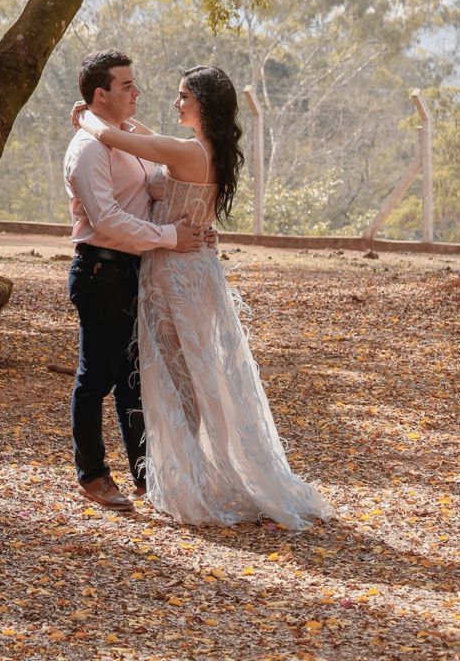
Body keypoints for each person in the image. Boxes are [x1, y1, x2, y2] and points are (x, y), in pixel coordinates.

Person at [74, 64, 332, 530]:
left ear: (202, 105)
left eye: (182, 98)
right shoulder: (200, 149)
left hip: (178, 272)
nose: (175, 104)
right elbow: (144, 138)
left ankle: (195, 478)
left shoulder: (186, 152)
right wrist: (112, 122)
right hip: (188, 269)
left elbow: (122, 141)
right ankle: (186, 472)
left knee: (184, 378)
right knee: (187, 375)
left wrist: (86, 118)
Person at [63, 50, 207, 513]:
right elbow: (107, 218)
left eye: (134, 83)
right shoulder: (88, 149)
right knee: (96, 377)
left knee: (133, 377)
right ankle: (92, 473)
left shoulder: (124, 139)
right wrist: (169, 237)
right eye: (126, 86)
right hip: (101, 270)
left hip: (133, 272)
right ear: (100, 95)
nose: (137, 92)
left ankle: (146, 474)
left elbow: (153, 190)